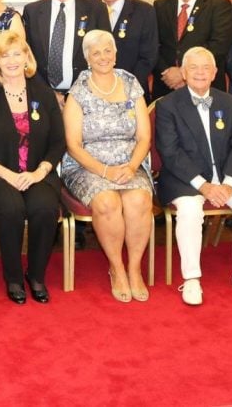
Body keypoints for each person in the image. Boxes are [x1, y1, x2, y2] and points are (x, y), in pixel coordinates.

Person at [156, 47, 232, 306]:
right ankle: (192, 278)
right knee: (190, 211)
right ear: (183, 73)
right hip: (186, 180)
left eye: (206, 67)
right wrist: (204, 186)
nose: (200, 72)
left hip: (229, 178)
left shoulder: (230, 103)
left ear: (215, 72)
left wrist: (228, 184)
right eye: (193, 67)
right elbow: (170, 153)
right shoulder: (168, 105)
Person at [0, 31, 62, 304]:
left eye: (17, 53)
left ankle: (35, 275)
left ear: (27, 58)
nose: (11, 60)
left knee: (45, 207)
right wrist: (9, 174)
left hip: (37, 173)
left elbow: (58, 142)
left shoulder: (44, 95)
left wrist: (38, 173)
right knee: (10, 207)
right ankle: (12, 278)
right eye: (4, 55)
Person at [62, 29, 153, 302]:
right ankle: (117, 267)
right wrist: (105, 171)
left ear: (115, 53)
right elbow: (73, 144)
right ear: (87, 57)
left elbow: (144, 136)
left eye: (107, 50)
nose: (103, 56)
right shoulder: (78, 91)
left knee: (139, 200)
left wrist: (132, 165)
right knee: (107, 202)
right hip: (88, 166)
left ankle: (135, 268)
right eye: (96, 52)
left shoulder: (130, 83)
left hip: (130, 162)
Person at [22, 0, 111, 103]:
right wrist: (48, 94)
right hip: (43, 95)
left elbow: (106, 54)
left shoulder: (96, 9)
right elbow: (28, 57)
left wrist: (75, 95)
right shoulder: (32, 11)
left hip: (86, 94)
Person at [152, 0, 232, 98]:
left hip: (205, 87)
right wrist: (167, 71)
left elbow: (219, 46)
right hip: (167, 87)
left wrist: (184, 73)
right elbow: (152, 45)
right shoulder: (160, 6)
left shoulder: (219, 5)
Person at [94, 0, 158, 102]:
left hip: (132, 92)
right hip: (96, 93)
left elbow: (149, 56)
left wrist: (124, 86)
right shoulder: (89, 11)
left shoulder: (144, 11)